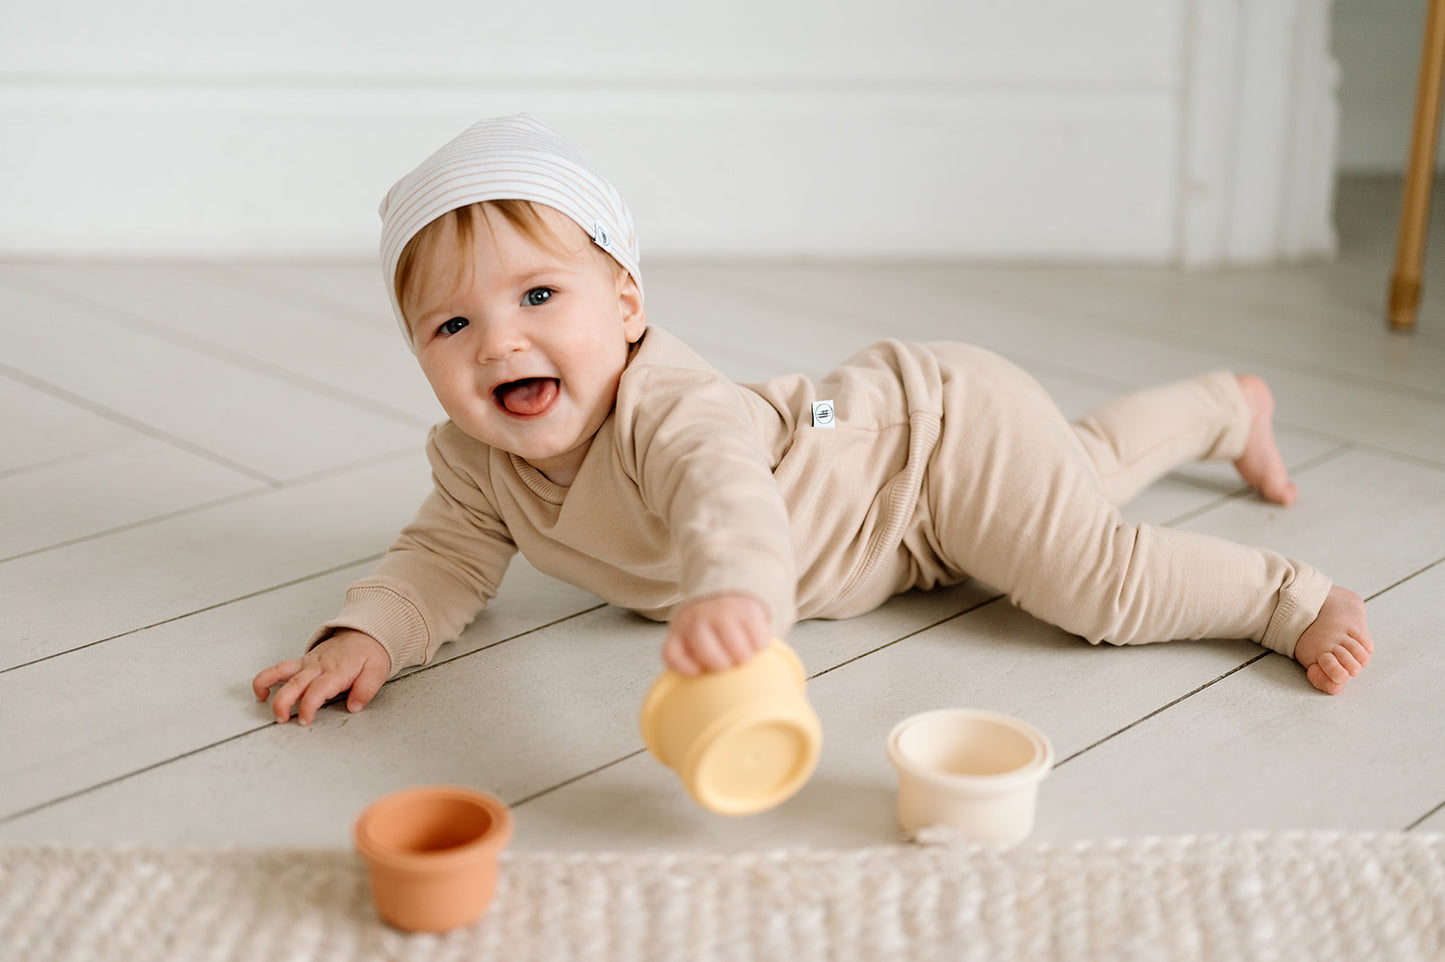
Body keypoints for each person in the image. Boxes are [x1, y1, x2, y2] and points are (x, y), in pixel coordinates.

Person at [253, 115, 1373, 726]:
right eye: (452, 325)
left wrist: (735, 590)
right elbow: (441, 556)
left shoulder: (670, 404)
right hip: (898, 518)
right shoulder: (474, 460)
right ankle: (1228, 405)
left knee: (1093, 579)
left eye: (538, 297)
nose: (499, 341)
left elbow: (723, 497)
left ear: (628, 304)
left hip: (937, 438)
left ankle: (1290, 596)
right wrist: (370, 633)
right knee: (1075, 467)